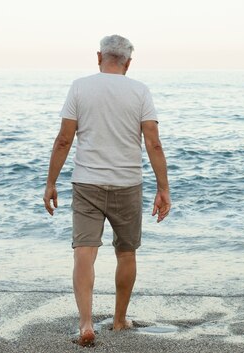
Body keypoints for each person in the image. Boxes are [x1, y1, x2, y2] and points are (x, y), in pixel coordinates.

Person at [43, 34, 171, 347]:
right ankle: (118, 320)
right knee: (126, 252)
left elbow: (64, 139)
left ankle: (86, 323)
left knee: (84, 252)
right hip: (128, 183)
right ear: (129, 61)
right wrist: (163, 188)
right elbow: (153, 142)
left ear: (99, 56)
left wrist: (50, 182)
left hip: (86, 182)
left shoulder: (80, 86)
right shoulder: (140, 91)